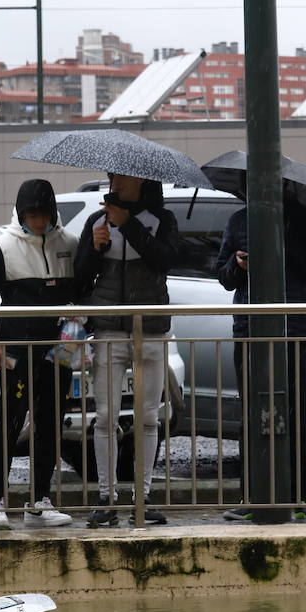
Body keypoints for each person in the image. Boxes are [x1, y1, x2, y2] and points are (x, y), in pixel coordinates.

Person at [0, 178, 78, 528]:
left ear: (54, 213)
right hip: (15, 352)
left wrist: (76, 332)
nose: (39, 222)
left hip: (61, 350)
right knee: (9, 425)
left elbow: (85, 294)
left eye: (44, 215)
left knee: (51, 424)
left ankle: (40, 499)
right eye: (31, 215)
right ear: (21, 213)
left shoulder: (70, 244)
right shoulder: (2, 248)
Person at [214, 187, 306, 522]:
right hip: (250, 329)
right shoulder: (240, 221)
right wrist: (239, 264)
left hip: (296, 328)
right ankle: (252, 494)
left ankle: (302, 495)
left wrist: (285, 246)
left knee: (298, 411)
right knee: (251, 412)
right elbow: (223, 275)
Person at [73, 173, 181, 527]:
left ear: (142, 183)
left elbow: (165, 260)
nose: (115, 185)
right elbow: (81, 275)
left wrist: (129, 225)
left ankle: (143, 495)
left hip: (150, 328)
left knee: (148, 416)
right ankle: (106, 496)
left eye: (122, 179)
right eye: (111, 179)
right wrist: (95, 245)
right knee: (104, 416)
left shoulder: (162, 219)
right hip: (109, 328)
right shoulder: (97, 219)